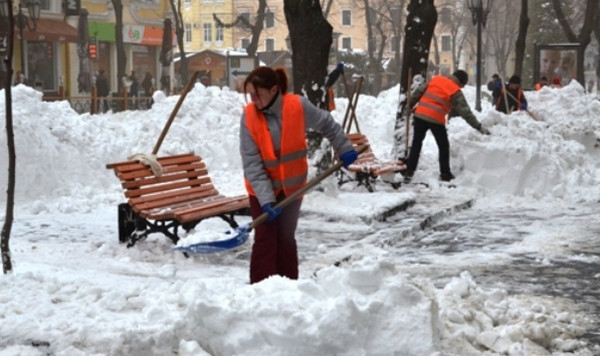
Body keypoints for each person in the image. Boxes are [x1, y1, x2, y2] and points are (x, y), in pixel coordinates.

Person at [239, 66, 358, 284]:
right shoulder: (248, 117)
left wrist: (344, 147)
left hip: (292, 189)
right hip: (261, 190)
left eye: (258, 94)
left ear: (274, 90)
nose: (253, 100)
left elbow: (326, 123)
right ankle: (261, 292)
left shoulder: (296, 106)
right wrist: (266, 200)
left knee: (285, 239)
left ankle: (290, 289)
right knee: (265, 239)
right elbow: (252, 164)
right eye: (250, 95)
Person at [401, 70, 489, 183]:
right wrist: (478, 126)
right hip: (436, 119)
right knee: (443, 146)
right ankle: (445, 173)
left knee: (416, 144)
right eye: (463, 85)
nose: (462, 87)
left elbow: (418, 92)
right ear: (461, 82)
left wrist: (410, 105)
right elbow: (465, 112)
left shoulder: (436, 79)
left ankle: (409, 170)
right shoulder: (455, 90)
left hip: (420, 115)